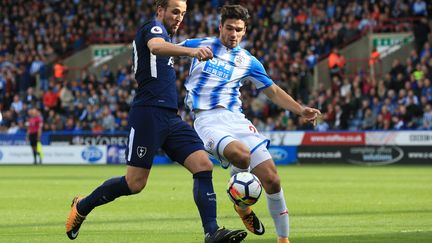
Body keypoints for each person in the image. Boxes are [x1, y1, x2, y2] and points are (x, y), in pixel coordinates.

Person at [65, 1, 247, 242]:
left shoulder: (166, 35)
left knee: (203, 165)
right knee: (135, 183)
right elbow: (157, 47)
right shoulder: (153, 28)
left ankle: (211, 231)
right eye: (174, 12)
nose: (179, 17)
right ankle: (82, 206)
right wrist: (192, 51)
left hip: (170, 117)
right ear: (160, 10)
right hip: (147, 114)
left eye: (182, 13)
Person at [180, 5, 321, 243]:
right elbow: (165, 50)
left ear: (244, 32)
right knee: (241, 155)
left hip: (236, 119)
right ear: (220, 27)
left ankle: (283, 239)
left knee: (272, 180)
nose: (233, 34)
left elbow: (273, 90)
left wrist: (300, 110)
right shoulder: (198, 44)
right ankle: (243, 207)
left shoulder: (248, 61)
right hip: (207, 119)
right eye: (229, 28)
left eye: (238, 30)